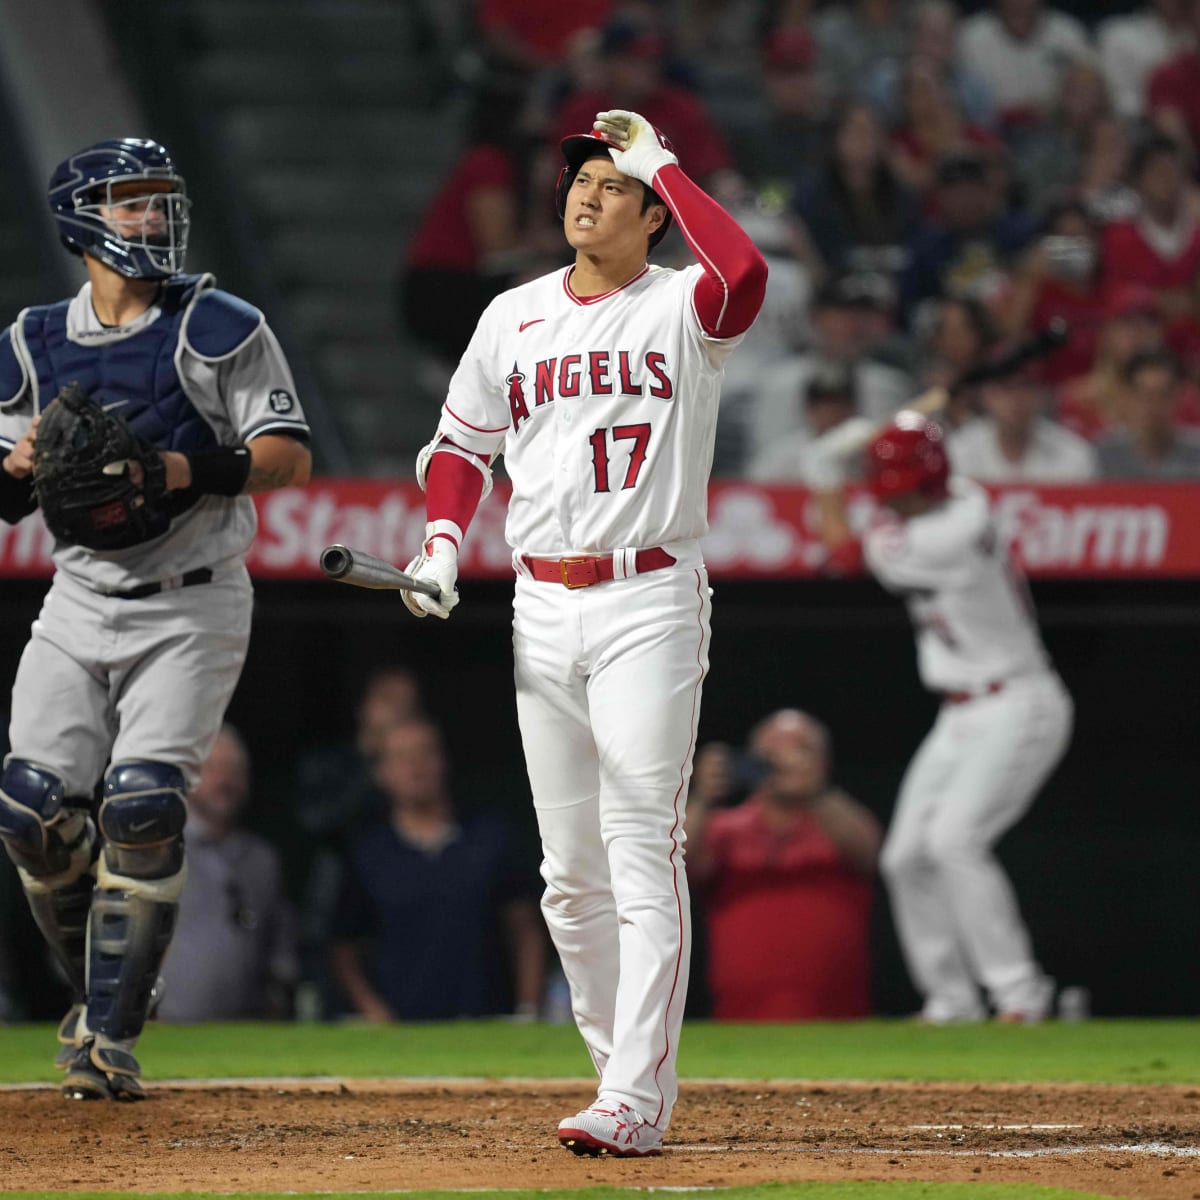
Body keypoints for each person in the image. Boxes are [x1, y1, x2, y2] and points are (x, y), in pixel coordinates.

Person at [397, 109, 766, 1156]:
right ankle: (616, 1076)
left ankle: (637, 1097)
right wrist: (436, 541)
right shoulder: (511, 314)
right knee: (568, 874)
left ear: (655, 214)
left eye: (611, 183)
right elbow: (463, 446)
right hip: (539, 602)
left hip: (649, 595)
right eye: (581, 180)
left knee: (641, 844)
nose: (586, 192)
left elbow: (745, 275)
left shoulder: (682, 304)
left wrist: (668, 165)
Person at [0, 139, 312, 1098]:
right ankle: (112, 977)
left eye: (157, 202)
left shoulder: (219, 324)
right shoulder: (31, 340)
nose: (151, 220)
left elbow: (286, 456)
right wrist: (22, 470)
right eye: (130, 204)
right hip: (81, 593)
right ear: (84, 219)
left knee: (138, 804)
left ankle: (110, 1030)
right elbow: (10, 491)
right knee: (30, 810)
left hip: (193, 597)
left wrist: (185, 469)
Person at [817, 413, 1072, 1024]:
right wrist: (892, 441)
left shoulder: (945, 537)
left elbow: (842, 548)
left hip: (1018, 701)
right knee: (905, 855)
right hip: (961, 713)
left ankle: (1019, 994)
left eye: (895, 488)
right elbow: (913, 473)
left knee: (955, 842)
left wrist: (829, 471)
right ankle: (951, 999)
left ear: (925, 485)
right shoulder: (961, 495)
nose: (890, 500)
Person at [330, 718, 545, 1022]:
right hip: (401, 1033)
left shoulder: (489, 838)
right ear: (380, 773)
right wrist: (373, 1011)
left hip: (489, 1025)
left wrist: (528, 1010)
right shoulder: (366, 853)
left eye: (425, 753)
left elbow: (525, 929)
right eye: (401, 758)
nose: (415, 766)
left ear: (443, 761)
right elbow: (344, 948)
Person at [685, 710, 881, 1020]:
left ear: (823, 762)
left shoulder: (839, 822)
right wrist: (701, 797)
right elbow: (677, 870)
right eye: (772, 753)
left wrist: (817, 793)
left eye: (801, 751)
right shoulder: (724, 828)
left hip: (841, 1016)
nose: (785, 762)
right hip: (739, 1017)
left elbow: (870, 855)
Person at [157, 725, 298, 1022]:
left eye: (235, 770)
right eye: (212, 767)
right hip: (164, 1028)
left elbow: (280, 945)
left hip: (247, 1030)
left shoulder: (261, 858)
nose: (225, 780)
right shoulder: (153, 852)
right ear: (187, 776)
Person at [948, 353, 1098, 482]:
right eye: (1006, 387)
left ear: (1040, 393)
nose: (1017, 398)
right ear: (986, 395)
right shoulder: (958, 452)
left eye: (1026, 386)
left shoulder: (1074, 454)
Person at [1095, 348, 1200, 478]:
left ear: (1178, 396)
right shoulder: (1105, 453)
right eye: (1146, 395)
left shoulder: (1197, 452)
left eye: (1163, 395)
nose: (1154, 405)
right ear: (1129, 396)